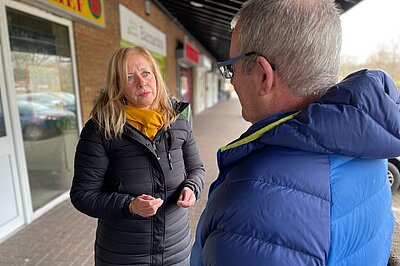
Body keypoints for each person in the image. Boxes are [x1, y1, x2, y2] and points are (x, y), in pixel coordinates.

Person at [191, 0, 400, 265]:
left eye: (231, 67)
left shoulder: (251, 208)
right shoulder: (368, 146)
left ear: (263, 75)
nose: (231, 80)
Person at [70, 46, 205, 265]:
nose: (141, 83)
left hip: (175, 250)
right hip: (123, 254)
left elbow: (197, 169)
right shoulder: (101, 129)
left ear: (155, 75)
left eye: (146, 73)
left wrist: (192, 187)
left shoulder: (178, 120)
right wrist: (129, 205)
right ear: (118, 85)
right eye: (129, 77)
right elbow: (83, 195)